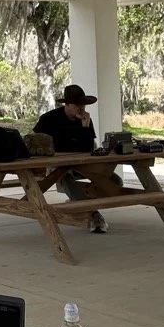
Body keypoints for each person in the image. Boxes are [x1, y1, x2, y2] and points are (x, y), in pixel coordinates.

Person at [33, 85, 121, 233]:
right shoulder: (48, 119)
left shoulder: (85, 120)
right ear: (67, 104)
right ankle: (93, 213)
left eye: (83, 104)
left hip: (81, 164)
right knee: (65, 178)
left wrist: (85, 127)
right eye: (77, 104)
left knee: (115, 182)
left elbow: (88, 149)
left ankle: (78, 200)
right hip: (57, 164)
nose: (81, 108)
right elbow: (34, 141)